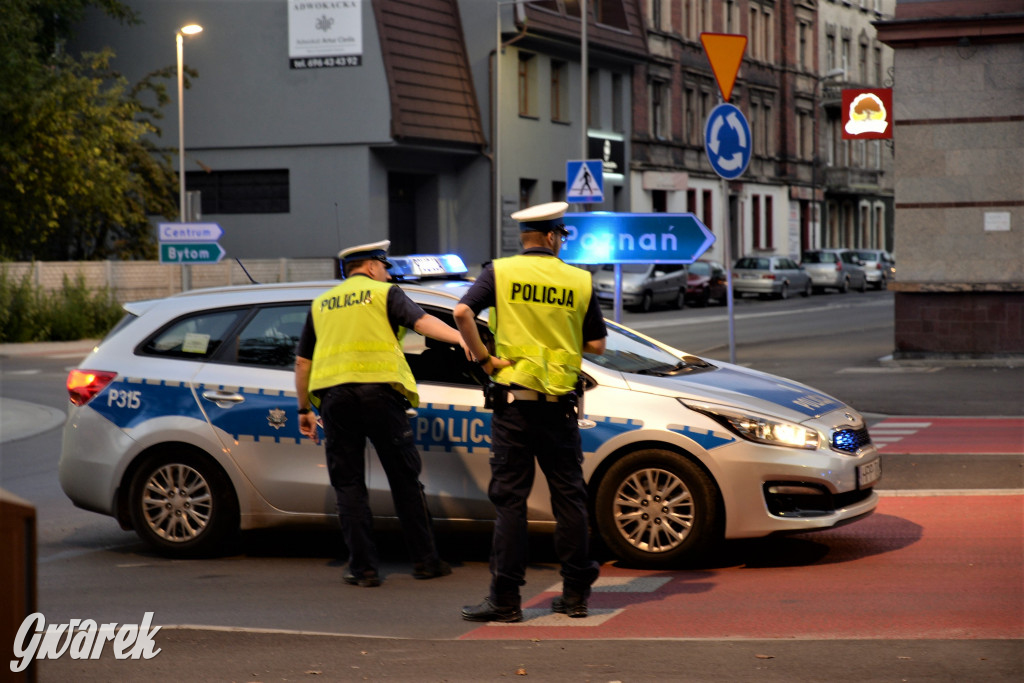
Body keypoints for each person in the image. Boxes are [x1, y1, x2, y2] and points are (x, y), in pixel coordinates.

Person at [454, 201, 606, 622]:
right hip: (560, 409)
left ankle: (506, 601)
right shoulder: (579, 280)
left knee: (511, 505)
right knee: (570, 500)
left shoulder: (499, 273)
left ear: (526, 238)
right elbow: (596, 345)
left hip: (513, 406)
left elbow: (462, 312)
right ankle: (575, 596)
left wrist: (485, 360)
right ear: (554, 237)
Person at [294, 240, 466, 587]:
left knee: (349, 484)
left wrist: (303, 409)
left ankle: (364, 569)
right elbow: (423, 322)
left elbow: (302, 362)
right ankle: (425, 561)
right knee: (404, 480)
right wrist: (461, 338)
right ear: (371, 266)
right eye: (385, 267)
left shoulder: (322, 304)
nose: (387, 273)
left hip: (335, 399)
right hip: (380, 396)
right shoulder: (384, 293)